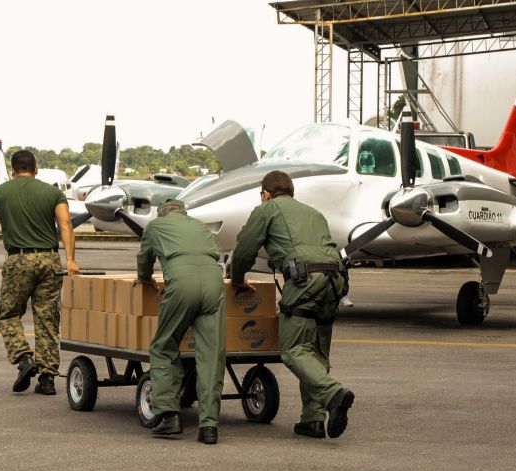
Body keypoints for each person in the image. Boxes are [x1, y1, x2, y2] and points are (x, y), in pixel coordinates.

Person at [230, 170, 354, 439]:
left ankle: (334, 394)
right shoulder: (313, 213)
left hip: (305, 280)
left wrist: (236, 279)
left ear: (265, 193)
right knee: (317, 353)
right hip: (335, 280)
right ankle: (313, 419)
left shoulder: (268, 209)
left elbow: (244, 250)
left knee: (294, 350)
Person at [0, 150, 79, 395]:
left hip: (18, 259)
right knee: (47, 319)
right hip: (50, 260)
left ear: (13, 170)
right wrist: (71, 260)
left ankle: (24, 358)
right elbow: (65, 224)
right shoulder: (53, 193)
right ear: (36, 168)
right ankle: (47, 380)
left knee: (8, 314)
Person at [136, 199, 226, 445]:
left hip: (182, 283)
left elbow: (144, 261)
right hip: (213, 282)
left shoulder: (156, 226)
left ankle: (169, 416)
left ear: (163, 213)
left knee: (163, 346)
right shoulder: (200, 226)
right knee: (210, 355)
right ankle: (209, 426)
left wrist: (144, 279)